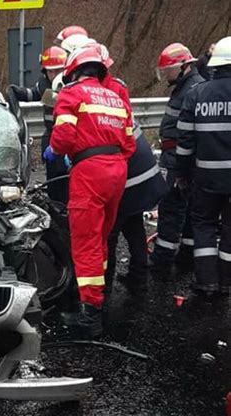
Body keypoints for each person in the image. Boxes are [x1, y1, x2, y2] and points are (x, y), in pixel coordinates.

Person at [44, 45, 136, 337]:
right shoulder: (116, 96)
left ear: (72, 72)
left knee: (85, 242)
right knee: (101, 237)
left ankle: (89, 316)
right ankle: (98, 296)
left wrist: (60, 151)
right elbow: (129, 144)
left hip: (90, 173)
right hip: (116, 171)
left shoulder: (71, 93)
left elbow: (62, 138)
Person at [95, 45, 168, 293]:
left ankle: (104, 284)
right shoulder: (114, 93)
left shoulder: (100, 100)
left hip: (128, 176)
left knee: (111, 233)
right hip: (141, 172)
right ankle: (139, 277)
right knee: (134, 225)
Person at [176, 36, 231, 296]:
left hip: (206, 178)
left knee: (204, 224)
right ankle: (227, 283)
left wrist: (182, 174)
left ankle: (206, 282)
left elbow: (184, 141)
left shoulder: (198, 93)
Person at [148, 43, 204, 269]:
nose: (166, 75)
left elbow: (189, 133)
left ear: (183, 67)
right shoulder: (186, 87)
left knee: (172, 208)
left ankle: (163, 259)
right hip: (178, 157)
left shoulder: (193, 90)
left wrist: (182, 169)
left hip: (179, 159)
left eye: (168, 70)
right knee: (188, 208)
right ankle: (186, 256)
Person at [9, 46, 69, 202]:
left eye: (57, 71)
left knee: (66, 179)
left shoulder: (70, 86)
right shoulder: (43, 84)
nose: (54, 75)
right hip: (50, 136)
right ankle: (55, 205)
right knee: (52, 177)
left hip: (67, 136)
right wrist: (19, 92)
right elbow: (34, 94)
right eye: (50, 71)